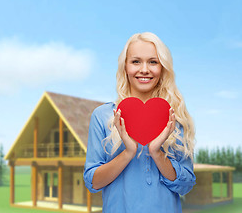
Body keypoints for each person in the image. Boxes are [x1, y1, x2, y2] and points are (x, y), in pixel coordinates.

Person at [83, 32, 196, 213]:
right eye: (136, 61)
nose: (144, 69)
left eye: (153, 62)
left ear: (162, 68)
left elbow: (186, 185)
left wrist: (156, 153)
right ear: (125, 67)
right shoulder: (102, 116)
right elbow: (93, 182)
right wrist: (129, 152)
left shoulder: (175, 118)